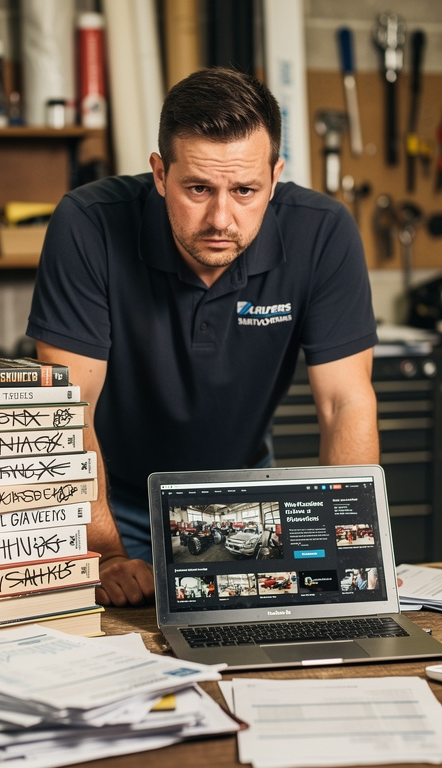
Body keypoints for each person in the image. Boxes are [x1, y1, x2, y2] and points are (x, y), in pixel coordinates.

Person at [26, 67, 379, 607]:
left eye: (245, 190)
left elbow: (345, 403)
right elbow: (70, 407)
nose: (220, 218)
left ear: (275, 176)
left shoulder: (323, 232)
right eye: (197, 188)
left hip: (247, 499)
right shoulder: (88, 224)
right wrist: (106, 553)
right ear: (160, 173)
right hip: (111, 499)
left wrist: (353, 548)